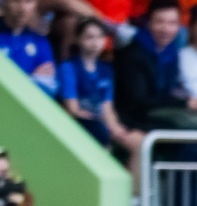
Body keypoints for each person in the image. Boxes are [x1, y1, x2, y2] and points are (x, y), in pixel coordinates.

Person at [58, 17, 146, 168]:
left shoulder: (106, 70)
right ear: (78, 40)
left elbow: (107, 107)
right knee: (99, 132)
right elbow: (73, 109)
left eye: (100, 37)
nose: (95, 43)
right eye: (89, 37)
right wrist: (102, 125)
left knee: (140, 142)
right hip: (81, 125)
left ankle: (135, 191)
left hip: (102, 123)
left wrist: (116, 129)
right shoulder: (69, 67)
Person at [115, 0, 197, 132]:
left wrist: (188, 99)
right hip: (136, 117)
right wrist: (184, 103)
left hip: (158, 110)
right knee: (194, 123)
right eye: (160, 22)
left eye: (172, 23)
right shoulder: (134, 54)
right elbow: (140, 101)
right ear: (149, 22)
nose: (166, 29)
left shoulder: (171, 53)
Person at [0, 0, 60, 96]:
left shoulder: (40, 42)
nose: (23, 9)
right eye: (16, 1)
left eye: (28, 2)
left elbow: (49, 85)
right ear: (5, 2)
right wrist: (31, 78)